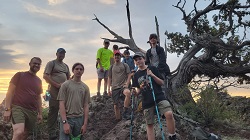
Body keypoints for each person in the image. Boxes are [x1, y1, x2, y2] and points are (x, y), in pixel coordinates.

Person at [132, 52, 176, 140]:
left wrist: (152, 75)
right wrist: (136, 93)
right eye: (136, 60)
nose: (138, 61)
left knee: (169, 114)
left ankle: (172, 136)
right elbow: (138, 90)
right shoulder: (136, 75)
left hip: (159, 97)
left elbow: (161, 82)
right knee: (149, 124)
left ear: (144, 59)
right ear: (135, 62)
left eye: (140, 59)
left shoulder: (152, 68)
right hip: (147, 101)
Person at [3, 57, 43, 140]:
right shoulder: (19, 75)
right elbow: (10, 92)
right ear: (29, 64)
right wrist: (7, 109)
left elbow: (38, 97)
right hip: (18, 107)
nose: (36, 65)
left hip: (32, 111)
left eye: (39, 64)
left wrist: (40, 113)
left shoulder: (38, 81)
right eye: (35, 63)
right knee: (19, 132)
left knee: (24, 134)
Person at [58, 63, 90, 140]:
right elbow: (61, 103)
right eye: (76, 69)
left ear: (83, 72)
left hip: (79, 119)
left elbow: (86, 106)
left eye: (81, 69)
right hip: (68, 118)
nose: (79, 71)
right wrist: (65, 122)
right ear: (73, 70)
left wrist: (85, 124)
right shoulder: (65, 85)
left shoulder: (85, 87)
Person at [43, 48, 71, 140]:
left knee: (65, 109)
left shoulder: (66, 66)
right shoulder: (51, 63)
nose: (61, 55)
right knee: (53, 109)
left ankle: (64, 129)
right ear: (56, 54)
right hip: (53, 90)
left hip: (64, 91)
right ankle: (52, 132)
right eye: (60, 53)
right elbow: (45, 76)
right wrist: (57, 85)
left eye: (63, 54)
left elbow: (68, 78)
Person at [108, 50, 132, 120]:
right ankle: (118, 119)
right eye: (115, 55)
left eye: (118, 55)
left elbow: (129, 75)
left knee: (128, 93)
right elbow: (109, 78)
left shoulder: (125, 65)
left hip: (123, 86)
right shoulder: (111, 67)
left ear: (120, 56)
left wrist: (127, 83)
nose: (117, 56)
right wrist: (108, 89)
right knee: (116, 106)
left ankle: (125, 112)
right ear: (114, 57)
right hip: (114, 87)